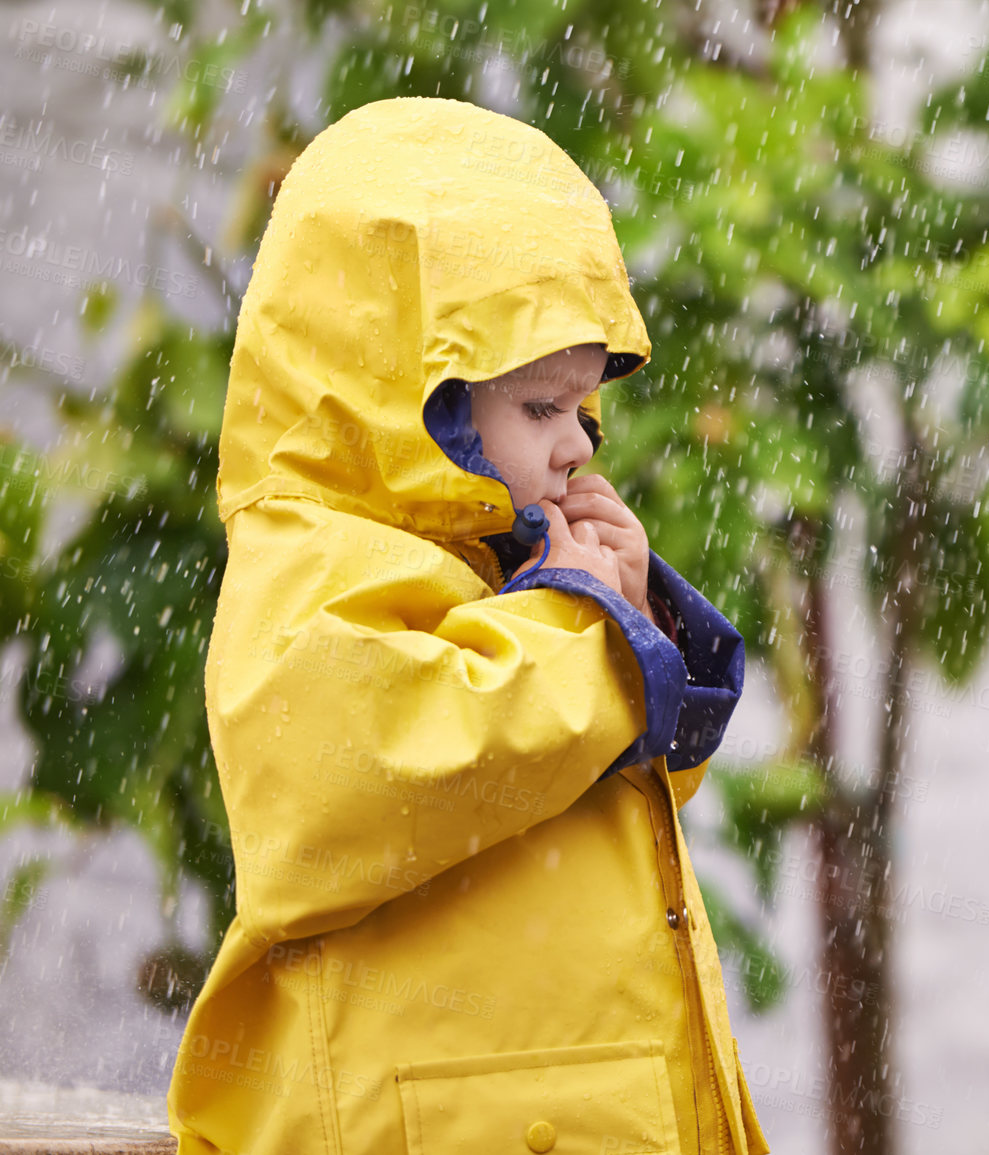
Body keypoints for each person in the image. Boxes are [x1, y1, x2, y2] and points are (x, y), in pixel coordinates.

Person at [165, 96, 771, 1155]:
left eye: (586, 409)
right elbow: (368, 782)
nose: (579, 444)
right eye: (540, 408)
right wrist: (593, 643)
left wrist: (635, 617)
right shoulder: (310, 568)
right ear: (406, 400)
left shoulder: (513, 569)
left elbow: (594, 800)